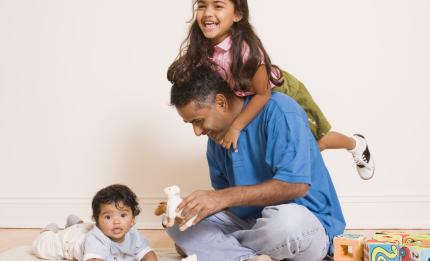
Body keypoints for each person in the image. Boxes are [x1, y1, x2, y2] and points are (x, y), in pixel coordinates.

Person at [167, 0, 374, 180]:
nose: (208, 13)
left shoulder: (248, 52)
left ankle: (355, 144)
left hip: (279, 92)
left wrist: (236, 127)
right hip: (249, 99)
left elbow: (263, 94)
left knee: (317, 142)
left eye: (218, 6)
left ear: (238, 14)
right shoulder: (201, 47)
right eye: (202, 5)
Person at [166, 66, 346, 261]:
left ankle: (222, 250)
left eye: (198, 121)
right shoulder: (216, 140)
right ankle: (247, 257)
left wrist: (220, 200)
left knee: (286, 223)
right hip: (252, 226)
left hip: (306, 226)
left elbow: (297, 186)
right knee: (178, 224)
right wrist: (188, 208)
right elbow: (230, 206)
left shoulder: (280, 110)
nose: (197, 132)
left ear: (221, 102)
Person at [32, 184, 158, 261]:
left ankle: (76, 222)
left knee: (83, 227)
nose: (116, 221)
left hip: (87, 229)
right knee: (42, 247)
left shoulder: (133, 235)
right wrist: (48, 234)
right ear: (97, 220)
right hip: (71, 241)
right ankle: (48, 230)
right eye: (108, 217)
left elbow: (148, 253)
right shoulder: (96, 240)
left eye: (123, 215)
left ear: (133, 220)